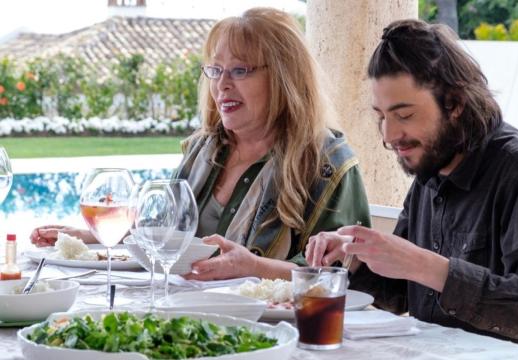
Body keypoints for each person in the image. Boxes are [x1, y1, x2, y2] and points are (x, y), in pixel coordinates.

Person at [306, 19, 518, 359]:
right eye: (382, 116)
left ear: (455, 103)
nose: (388, 135)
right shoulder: (433, 167)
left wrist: (427, 266)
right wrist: (356, 259)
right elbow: (404, 293)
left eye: (404, 115)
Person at [30, 7, 371, 281]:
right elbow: (164, 233)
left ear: (284, 79)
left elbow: (336, 277)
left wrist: (254, 267)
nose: (222, 85)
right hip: (190, 309)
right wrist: (90, 236)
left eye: (239, 71)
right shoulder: (206, 150)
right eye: (215, 70)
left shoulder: (326, 163)